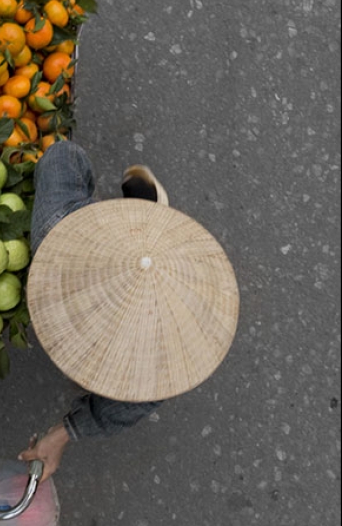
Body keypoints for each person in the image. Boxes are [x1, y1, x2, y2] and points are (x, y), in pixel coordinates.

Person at [18, 137, 239, 479]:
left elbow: (63, 158)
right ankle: (149, 217)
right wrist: (59, 437)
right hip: (175, 264)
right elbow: (113, 412)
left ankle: (142, 216)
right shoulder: (164, 361)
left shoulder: (55, 231)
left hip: (84, 236)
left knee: (60, 157)